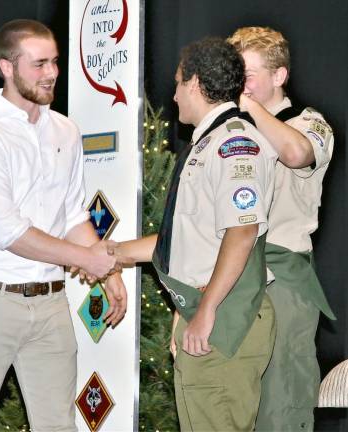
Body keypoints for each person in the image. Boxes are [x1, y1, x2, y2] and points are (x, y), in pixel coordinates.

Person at [0, 19, 128, 432]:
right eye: (39, 64)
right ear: (7, 68)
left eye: (55, 63)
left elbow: (72, 217)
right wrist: (88, 259)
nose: (51, 74)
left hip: (51, 304)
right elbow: (7, 231)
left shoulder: (65, 129)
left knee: (58, 426)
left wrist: (109, 270)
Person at [114, 37, 277, 431]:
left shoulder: (234, 144)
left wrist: (204, 312)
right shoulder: (207, 144)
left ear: (195, 84)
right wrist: (114, 253)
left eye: (177, 83)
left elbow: (241, 232)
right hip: (205, 314)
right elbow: (189, 241)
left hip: (224, 318)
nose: (172, 95)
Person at [228, 26, 335, 431]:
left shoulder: (310, 123)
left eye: (250, 74)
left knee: (283, 403)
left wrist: (248, 107)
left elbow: (296, 153)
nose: (243, 84)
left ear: (279, 76)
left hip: (282, 282)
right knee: (233, 406)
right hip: (229, 282)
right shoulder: (230, 131)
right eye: (237, 75)